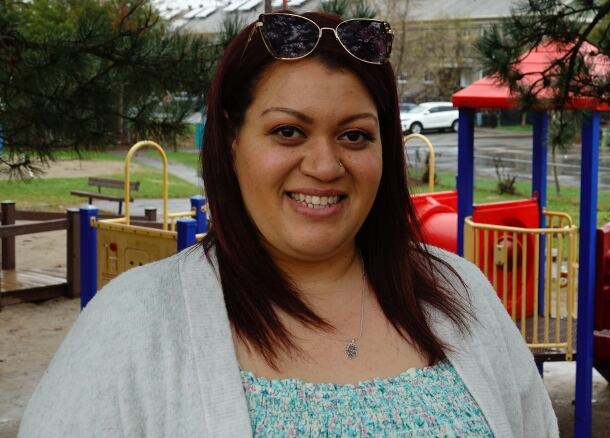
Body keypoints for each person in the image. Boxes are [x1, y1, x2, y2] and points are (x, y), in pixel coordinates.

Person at [20, 11, 558, 437]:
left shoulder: (461, 295)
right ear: (232, 142)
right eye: (287, 132)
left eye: (354, 135)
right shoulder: (132, 324)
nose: (325, 166)